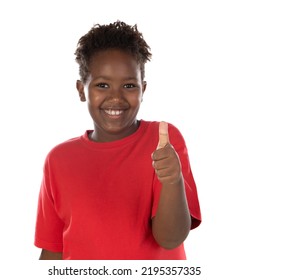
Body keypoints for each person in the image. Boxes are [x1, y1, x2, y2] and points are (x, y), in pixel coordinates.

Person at [34, 20, 201, 260]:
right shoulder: (58, 159)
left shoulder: (163, 142)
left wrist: (173, 180)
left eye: (129, 85)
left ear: (143, 89)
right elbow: (52, 248)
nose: (116, 97)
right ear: (82, 90)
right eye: (102, 85)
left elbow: (170, 238)